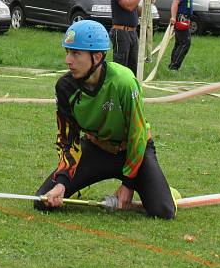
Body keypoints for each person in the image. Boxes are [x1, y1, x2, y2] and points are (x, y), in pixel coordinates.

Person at [34, 20, 176, 219]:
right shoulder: (65, 87)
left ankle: (159, 190)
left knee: (163, 211)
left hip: (133, 151)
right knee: (42, 201)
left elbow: (138, 134)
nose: (68, 60)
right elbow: (68, 140)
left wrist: (128, 183)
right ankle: (80, 185)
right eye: (67, 52)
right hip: (96, 149)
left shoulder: (124, 82)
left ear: (97, 56)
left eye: (76, 53)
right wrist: (63, 182)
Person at [110, 0, 154, 75]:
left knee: (133, 64)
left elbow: (136, 10)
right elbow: (129, 6)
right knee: (121, 65)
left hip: (132, 33)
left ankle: (131, 88)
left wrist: (149, 0)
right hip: (121, 32)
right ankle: (119, 87)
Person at [169, 0, 195, 71]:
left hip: (185, 20)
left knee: (179, 43)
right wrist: (173, 18)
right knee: (185, 43)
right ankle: (174, 67)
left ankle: (172, 65)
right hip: (181, 20)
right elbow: (175, 4)